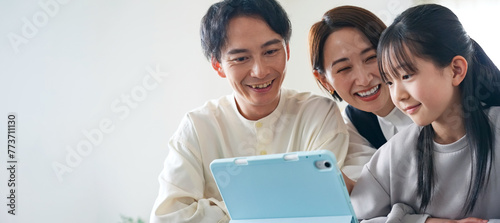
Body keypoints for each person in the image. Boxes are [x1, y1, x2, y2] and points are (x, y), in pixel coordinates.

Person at [150, 0, 350, 222]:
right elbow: (168, 218)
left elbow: (324, 208)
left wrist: (218, 210)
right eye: (241, 58)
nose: (260, 71)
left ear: (287, 50)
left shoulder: (318, 114)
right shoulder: (197, 127)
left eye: (271, 51)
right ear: (218, 65)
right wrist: (275, 201)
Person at [351, 4, 500, 222]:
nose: (398, 95)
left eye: (407, 76)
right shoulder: (393, 156)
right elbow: (359, 218)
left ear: (456, 70)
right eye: (390, 81)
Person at [308, 6, 413, 181]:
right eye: (344, 68)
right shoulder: (354, 124)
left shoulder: (428, 97)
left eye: (371, 58)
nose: (363, 79)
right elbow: (370, 187)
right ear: (324, 81)